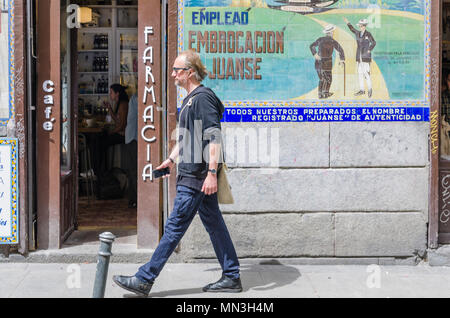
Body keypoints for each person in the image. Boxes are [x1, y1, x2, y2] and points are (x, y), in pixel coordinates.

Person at [113, 50, 242, 297]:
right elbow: (186, 137)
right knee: (215, 225)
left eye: (177, 70)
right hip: (192, 174)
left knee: (173, 228)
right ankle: (232, 275)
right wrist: (171, 160)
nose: (173, 74)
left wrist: (212, 173)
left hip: (197, 176)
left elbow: (214, 137)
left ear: (190, 72)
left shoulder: (203, 98)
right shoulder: (189, 99)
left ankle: (144, 278)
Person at [97, 84, 129, 177]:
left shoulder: (123, 105)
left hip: (123, 135)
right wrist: (110, 108)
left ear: (117, 94)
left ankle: (101, 170)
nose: (110, 94)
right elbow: (117, 120)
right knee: (101, 140)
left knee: (101, 143)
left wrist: (111, 132)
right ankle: (102, 168)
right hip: (119, 133)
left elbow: (122, 126)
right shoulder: (119, 103)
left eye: (111, 92)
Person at [310, 24, 345, 99]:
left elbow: (311, 46)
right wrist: (342, 60)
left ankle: (320, 94)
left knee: (322, 79)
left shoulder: (320, 39)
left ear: (326, 32)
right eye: (333, 32)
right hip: (326, 63)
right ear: (332, 32)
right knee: (328, 79)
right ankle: (325, 93)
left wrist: (315, 54)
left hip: (318, 63)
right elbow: (341, 50)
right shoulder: (332, 41)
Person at [344, 18, 377, 98]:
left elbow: (374, 42)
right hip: (359, 57)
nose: (361, 27)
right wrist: (348, 23)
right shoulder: (357, 33)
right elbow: (352, 29)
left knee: (366, 74)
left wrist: (369, 50)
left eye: (363, 26)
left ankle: (370, 89)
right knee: (360, 74)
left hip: (365, 57)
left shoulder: (368, 34)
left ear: (365, 26)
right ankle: (362, 90)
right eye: (360, 26)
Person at [124, 93, 138, 208]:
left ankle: (134, 198)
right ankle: (135, 198)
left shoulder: (135, 98)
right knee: (133, 170)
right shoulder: (136, 98)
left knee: (133, 170)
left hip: (133, 137)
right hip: (134, 137)